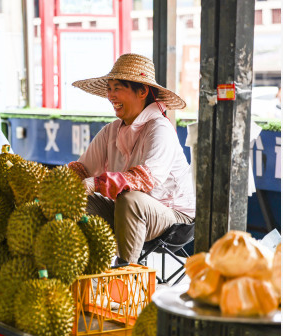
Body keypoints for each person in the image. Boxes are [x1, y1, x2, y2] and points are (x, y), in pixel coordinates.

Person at [68, 53, 195, 265]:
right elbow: (81, 169)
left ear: (142, 91)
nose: (111, 96)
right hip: (128, 213)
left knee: (130, 198)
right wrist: (56, 185)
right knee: (79, 199)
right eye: (109, 89)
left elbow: (145, 180)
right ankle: (84, 267)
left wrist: (96, 183)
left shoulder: (160, 128)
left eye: (117, 88)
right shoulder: (111, 131)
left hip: (176, 220)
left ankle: (125, 274)